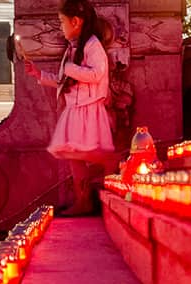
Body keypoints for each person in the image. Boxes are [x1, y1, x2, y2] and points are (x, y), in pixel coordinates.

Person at [20, 0, 116, 217]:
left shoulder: (93, 45)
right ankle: (83, 200)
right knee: (74, 155)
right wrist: (39, 74)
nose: (61, 27)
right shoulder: (73, 49)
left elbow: (96, 74)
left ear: (76, 22)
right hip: (75, 108)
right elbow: (64, 79)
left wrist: (71, 68)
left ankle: (113, 167)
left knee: (93, 151)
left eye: (62, 22)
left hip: (88, 108)